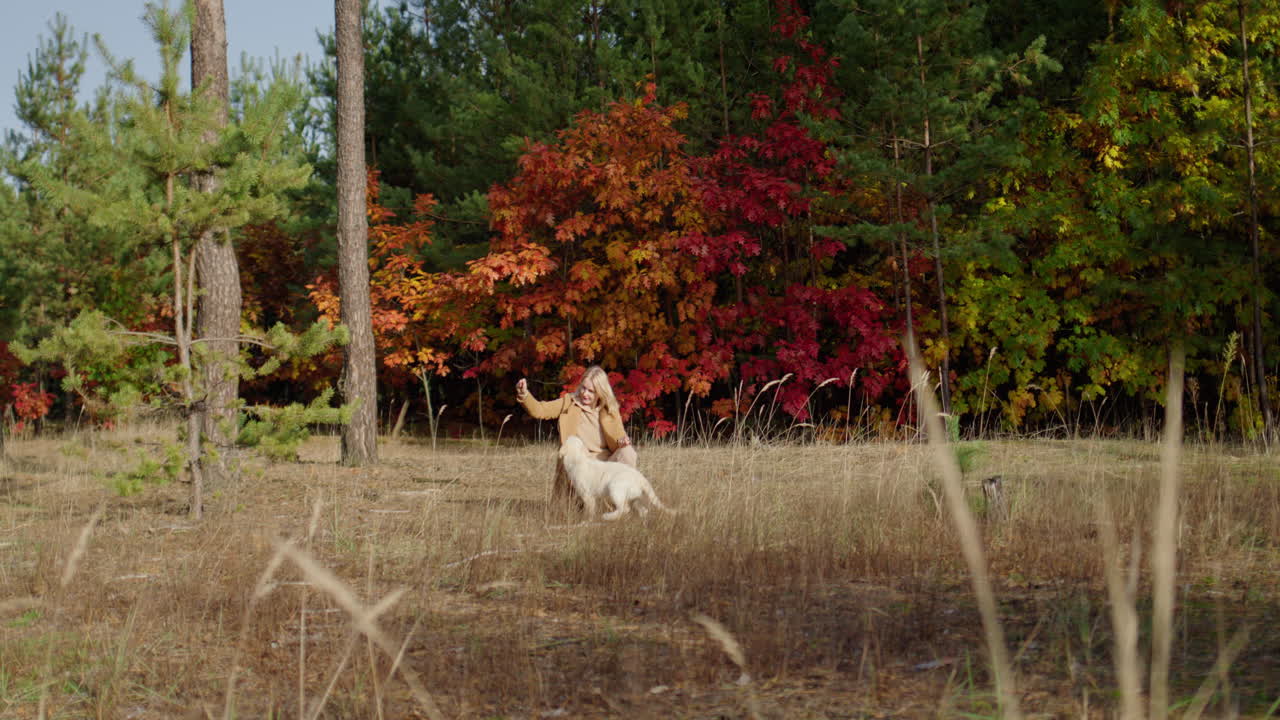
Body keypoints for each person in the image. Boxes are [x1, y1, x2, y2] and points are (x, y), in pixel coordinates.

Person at [515, 365, 637, 508]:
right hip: (580, 467)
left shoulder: (610, 410)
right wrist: (524, 394)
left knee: (628, 453)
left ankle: (617, 503)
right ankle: (582, 503)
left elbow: (619, 439)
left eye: (591, 391)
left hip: (604, 467)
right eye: (583, 388)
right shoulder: (570, 402)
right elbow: (540, 410)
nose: (585, 394)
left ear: (600, 392)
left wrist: (623, 442)